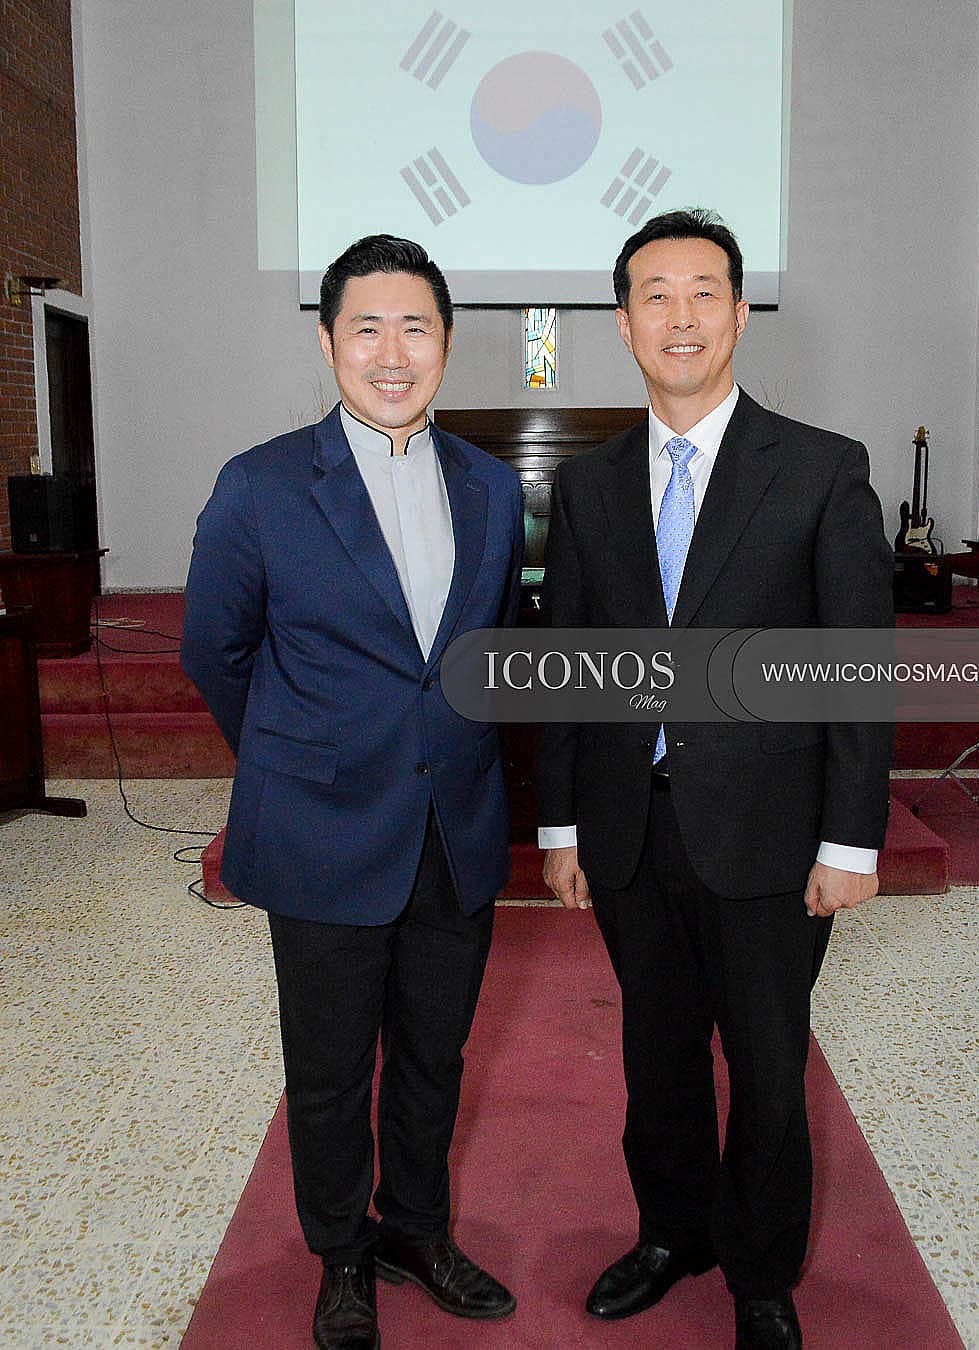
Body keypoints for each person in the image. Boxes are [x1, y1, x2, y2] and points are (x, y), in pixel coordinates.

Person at [536, 209, 892, 1350]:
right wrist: (559, 822)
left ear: (739, 314)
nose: (680, 315)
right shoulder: (589, 487)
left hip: (773, 838)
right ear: (626, 323)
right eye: (654, 294)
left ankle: (762, 1272)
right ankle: (671, 1232)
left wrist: (851, 842)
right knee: (658, 1056)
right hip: (630, 830)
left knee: (771, 1074)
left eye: (703, 292)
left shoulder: (824, 471)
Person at [182, 234, 523, 1350]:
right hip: (323, 829)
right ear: (328, 340)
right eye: (365, 325)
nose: (392, 350)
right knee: (328, 1073)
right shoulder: (261, 485)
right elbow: (215, 654)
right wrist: (298, 754)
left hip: (454, 831)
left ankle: (417, 1229)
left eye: (415, 325)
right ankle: (341, 1256)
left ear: (447, 343)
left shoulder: (490, 486)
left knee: (434, 1055)